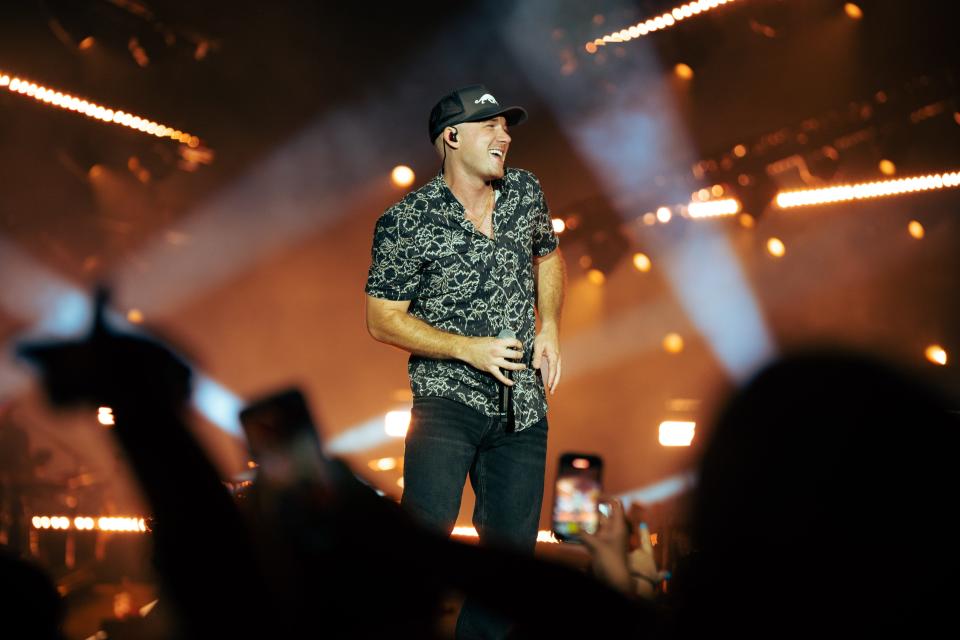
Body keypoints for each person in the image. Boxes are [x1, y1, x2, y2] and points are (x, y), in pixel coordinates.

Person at [365, 84, 566, 638]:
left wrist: (549, 324)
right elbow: (382, 318)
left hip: (522, 409)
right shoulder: (408, 219)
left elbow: (548, 257)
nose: (505, 136)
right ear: (451, 137)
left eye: (507, 127)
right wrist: (466, 348)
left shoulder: (526, 190)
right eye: (490, 126)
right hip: (446, 404)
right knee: (421, 549)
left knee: (509, 570)